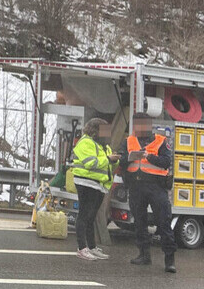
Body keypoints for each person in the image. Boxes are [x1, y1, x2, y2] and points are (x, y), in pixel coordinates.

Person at [119, 113, 176, 273]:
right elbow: (121, 161)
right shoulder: (128, 141)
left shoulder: (160, 141)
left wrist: (148, 156)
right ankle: (144, 255)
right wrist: (126, 158)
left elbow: (166, 162)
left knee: (163, 222)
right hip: (136, 187)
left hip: (156, 187)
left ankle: (169, 260)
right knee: (139, 223)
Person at [68, 118, 119, 260]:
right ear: (95, 130)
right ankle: (81, 248)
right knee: (84, 215)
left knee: (91, 217)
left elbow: (108, 166)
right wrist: (108, 159)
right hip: (86, 182)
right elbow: (91, 163)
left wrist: (115, 160)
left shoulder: (104, 145)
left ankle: (91, 247)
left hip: (99, 185)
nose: (107, 134)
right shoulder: (85, 142)